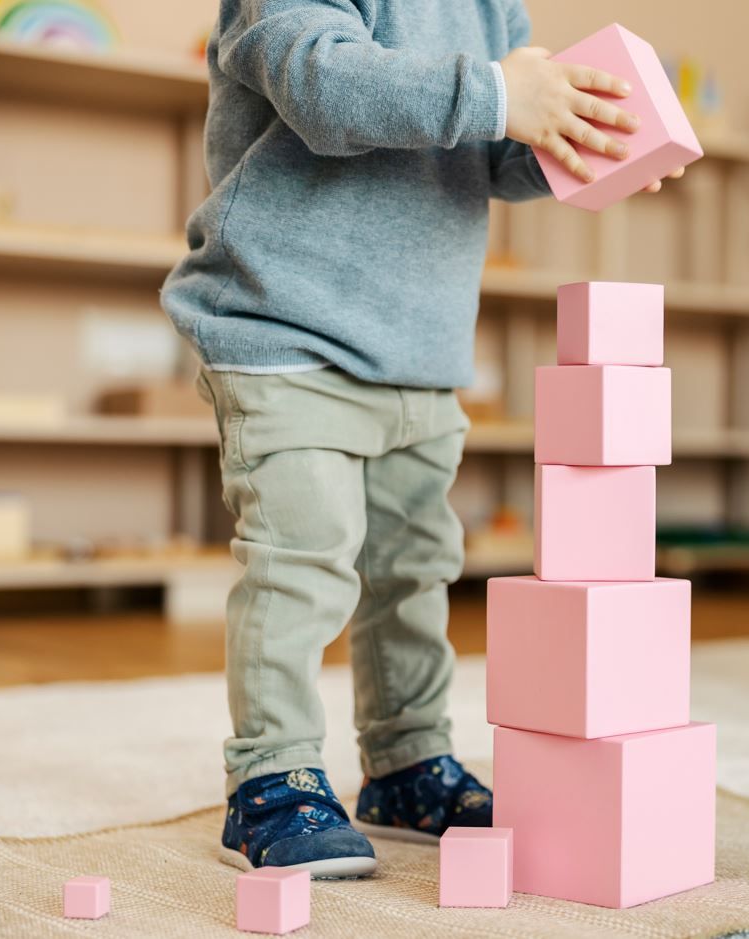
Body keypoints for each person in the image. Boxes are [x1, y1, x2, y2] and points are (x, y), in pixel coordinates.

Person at [161, 0, 680, 878]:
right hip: (284, 329)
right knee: (300, 562)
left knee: (413, 568)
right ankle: (271, 774)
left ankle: (403, 760)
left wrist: (573, 141)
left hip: (418, 349)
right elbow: (324, 87)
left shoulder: (489, 8)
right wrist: (496, 91)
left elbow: (490, 148)